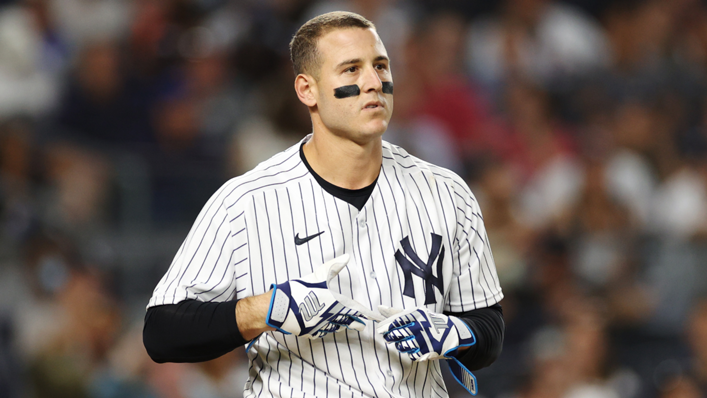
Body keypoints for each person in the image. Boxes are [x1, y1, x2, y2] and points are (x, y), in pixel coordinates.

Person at [143, 11, 504, 398]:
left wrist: (456, 332)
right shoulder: (247, 200)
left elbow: (488, 327)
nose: (373, 82)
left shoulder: (447, 192)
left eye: (380, 65)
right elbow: (163, 331)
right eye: (351, 70)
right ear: (306, 90)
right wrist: (265, 310)